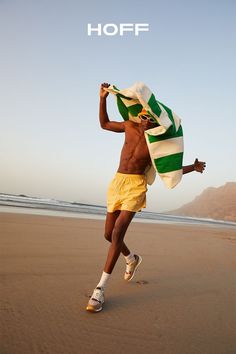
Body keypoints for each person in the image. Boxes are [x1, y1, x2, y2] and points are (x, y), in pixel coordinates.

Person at [86, 83, 206, 312]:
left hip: (136, 186)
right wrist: (102, 98)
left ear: (154, 120)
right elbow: (104, 124)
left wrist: (193, 166)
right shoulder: (129, 126)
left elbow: (169, 169)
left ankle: (99, 289)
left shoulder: (156, 143)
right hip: (117, 182)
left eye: (148, 116)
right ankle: (131, 258)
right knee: (108, 235)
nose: (143, 118)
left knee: (118, 232)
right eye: (141, 114)